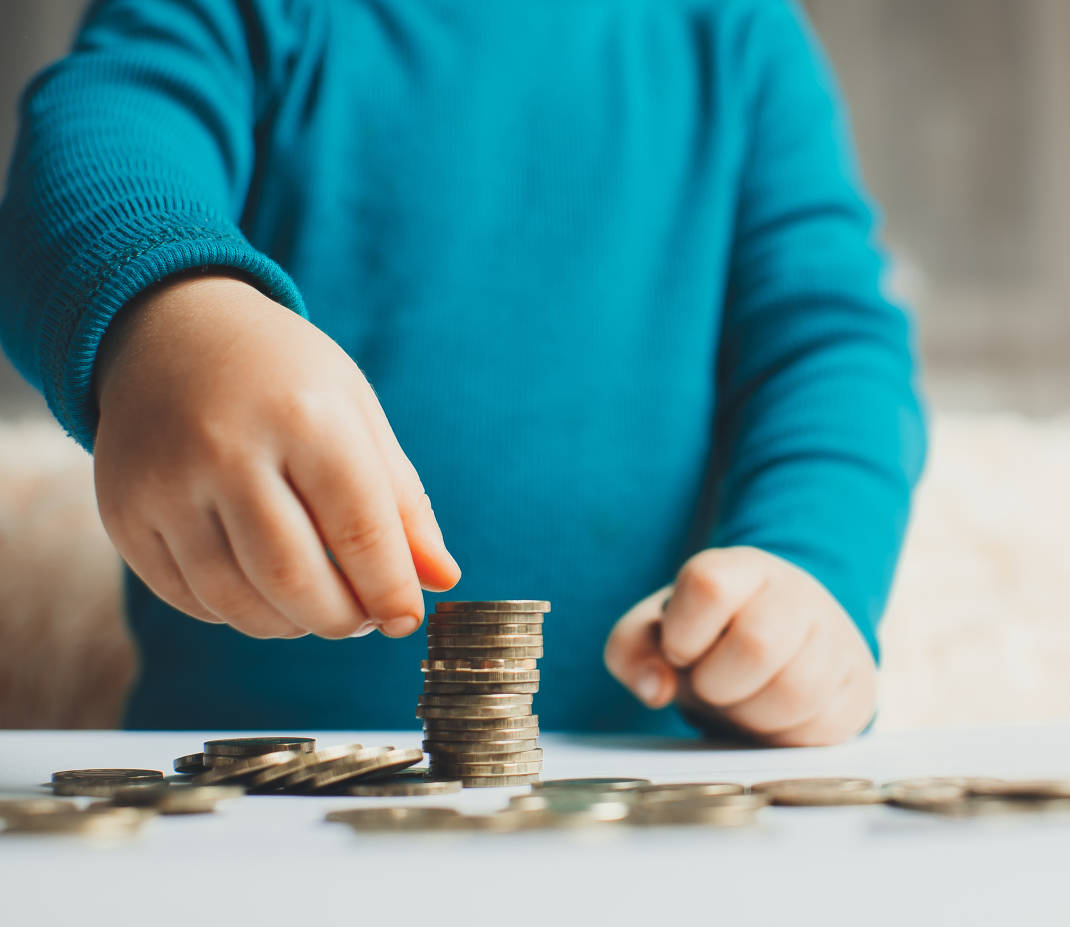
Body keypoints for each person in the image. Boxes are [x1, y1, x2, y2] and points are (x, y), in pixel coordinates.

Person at [0, 0, 926, 744]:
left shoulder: (740, 35)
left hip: (650, 808)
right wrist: (168, 314)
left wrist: (810, 569)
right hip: (232, 812)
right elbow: (95, 142)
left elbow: (830, 346)